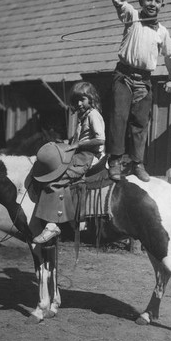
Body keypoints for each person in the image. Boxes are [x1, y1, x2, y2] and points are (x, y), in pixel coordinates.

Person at [107, 0, 171, 182]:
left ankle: (137, 163)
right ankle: (116, 161)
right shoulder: (131, 16)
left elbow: (170, 55)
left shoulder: (162, 32)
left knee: (139, 122)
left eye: (157, 1)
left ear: (162, 5)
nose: (152, 4)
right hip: (124, 76)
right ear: (141, 2)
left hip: (144, 81)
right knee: (119, 117)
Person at [32, 82, 105, 244]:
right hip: (79, 153)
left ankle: (53, 225)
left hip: (88, 155)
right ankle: (75, 217)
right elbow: (77, 140)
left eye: (82, 99)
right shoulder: (82, 117)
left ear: (91, 99)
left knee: (56, 179)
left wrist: (78, 145)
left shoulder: (93, 115)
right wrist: (65, 142)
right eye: (76, 101)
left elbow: (100, 139)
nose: (79, 104)